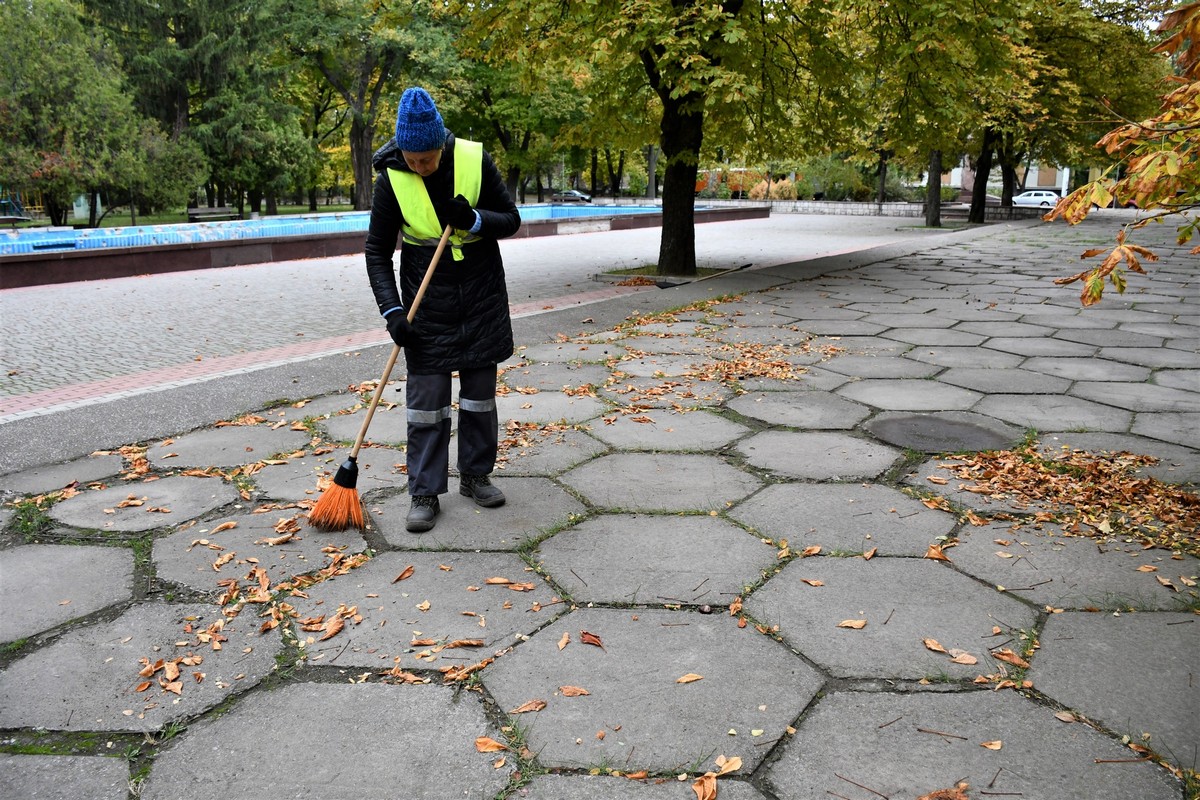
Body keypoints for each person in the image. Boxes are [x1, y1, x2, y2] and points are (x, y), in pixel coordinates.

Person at [364, 87, 521, 533]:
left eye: (427, 159)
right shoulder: (391, 178)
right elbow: (377, 251)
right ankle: (425, 491)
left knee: (478, 396)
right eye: (413, 160)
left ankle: (475, 474)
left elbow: (510, 219)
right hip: (424, 299)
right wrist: (391, 310)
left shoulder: (473, 158)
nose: (420, 167)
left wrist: (474, 219)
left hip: (481, 292)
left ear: (441, 143)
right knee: (426, 402)